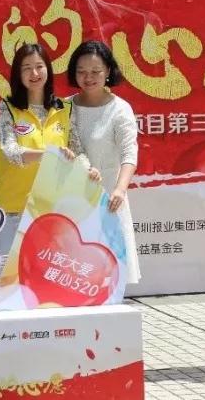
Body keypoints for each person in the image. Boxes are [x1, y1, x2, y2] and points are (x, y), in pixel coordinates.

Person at [0, 43, 99, 255]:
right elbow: (11, 152)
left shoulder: (64, 108)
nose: (34, 73)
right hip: (16, 209)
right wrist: (49, 154)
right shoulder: (8, 108)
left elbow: (77, 151)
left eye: (39, 66)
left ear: (48, 70)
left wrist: (89, 169)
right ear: (18, 74)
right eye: (27, 68)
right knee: (12, 274)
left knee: (51, 272)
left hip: (53, 210)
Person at [67, 40, 141, 284]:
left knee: (106, 276)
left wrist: (120, 189)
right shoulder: (63, 107)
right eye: (81, 71)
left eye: (95, 71)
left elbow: (129, 153)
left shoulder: (120, 109)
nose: (88, 78)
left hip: (108, 199)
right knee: (72, 272)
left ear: (108, 71)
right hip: (70, 201)